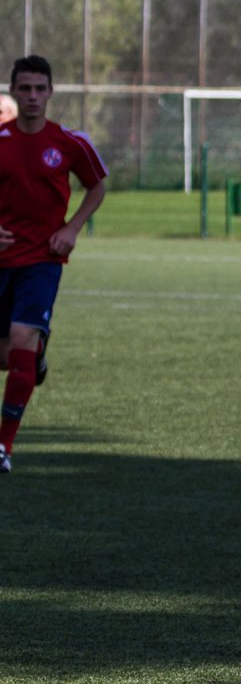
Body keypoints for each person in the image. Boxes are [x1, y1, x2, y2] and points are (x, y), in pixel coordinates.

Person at [0, 55, 108, 473]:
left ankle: (4, 447)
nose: (32, 96)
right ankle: (37, 354)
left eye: (39, 89)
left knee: (22, 335)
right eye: (24, 88)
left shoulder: (68, 142)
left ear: (50, 92)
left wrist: (72, 229)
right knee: (14, 353)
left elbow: (97, 186)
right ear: (13, 92)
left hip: (43, 259)